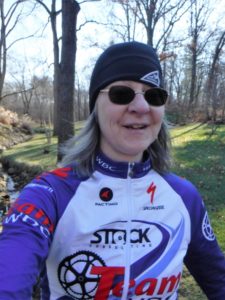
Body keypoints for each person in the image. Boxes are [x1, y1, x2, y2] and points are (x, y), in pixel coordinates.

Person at [0, 41, 225, 300]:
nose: (141, 107)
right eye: (122, 94)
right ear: (96, 107)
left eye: (154, 96)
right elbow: (9, 275)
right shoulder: (49, 194)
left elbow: (218, 282)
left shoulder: (184, 197)